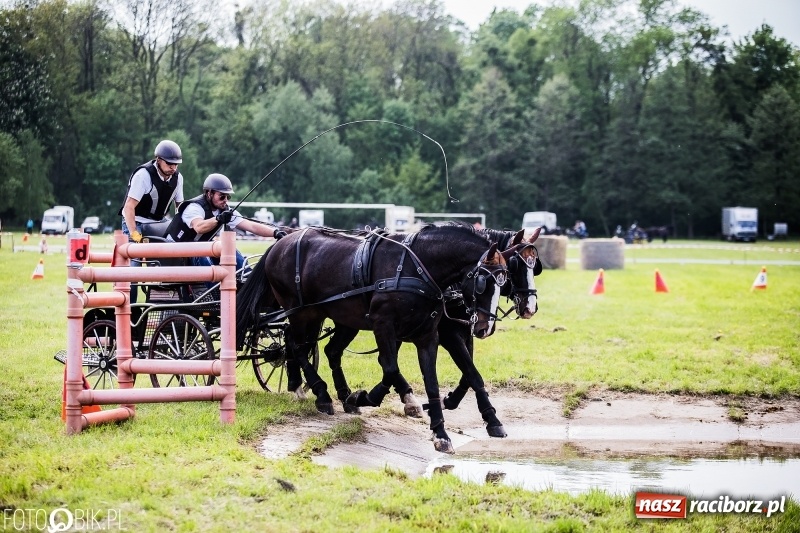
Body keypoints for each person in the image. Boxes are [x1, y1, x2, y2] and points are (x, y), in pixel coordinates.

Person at [164, 173, 287, 273]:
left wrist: (275, 233)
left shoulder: (223, 211)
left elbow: (250, 226)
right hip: (176, 252)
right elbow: (199, 227)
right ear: (209, 193)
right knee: (202, 253)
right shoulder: (195, 207)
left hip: (196, 249)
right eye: (222, 196)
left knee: (226, 248)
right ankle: (216, 293)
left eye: (228, 197)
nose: (225, 201)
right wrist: (218, 219)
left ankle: (245, 277)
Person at [119, 139, 185, 244]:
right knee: (135, 258)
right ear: (158, 160)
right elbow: (129, 207)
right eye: (169, 163)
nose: (173, 167)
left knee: (173, 253)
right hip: (136, 221)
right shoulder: (143, 175)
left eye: (176, 164)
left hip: (159, 222)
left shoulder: (178, 178)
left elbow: (180, 208)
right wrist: (134, 233)